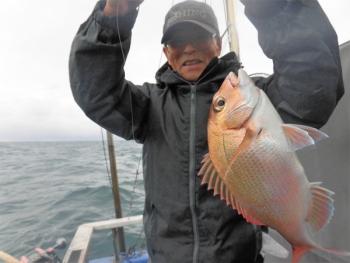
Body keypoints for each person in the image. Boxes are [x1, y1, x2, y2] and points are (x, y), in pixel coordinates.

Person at [69, 0, 344, 262]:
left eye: (199, 37)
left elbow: (313, 85)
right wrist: (111, 18)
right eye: (177, 41)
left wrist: (272, 8)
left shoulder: (258, 99)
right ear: (166, 52)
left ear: (218, 44)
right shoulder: (148, 105)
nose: (188, 48)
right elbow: (96, 93)